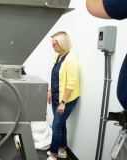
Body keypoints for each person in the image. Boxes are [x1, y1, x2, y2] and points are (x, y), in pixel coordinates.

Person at [46, 31, 80, 160]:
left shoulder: (71, 59)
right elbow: (55, 77)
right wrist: (50, 92)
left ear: (62, 43)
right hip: (56, 96)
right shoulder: (57, 57)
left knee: (56, 126)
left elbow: (70, 84)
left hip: (66, 99)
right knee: (61, 124)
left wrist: (63, 103)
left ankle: (54, 154)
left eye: (54, 44)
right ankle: (62, 149)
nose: (52, 46)